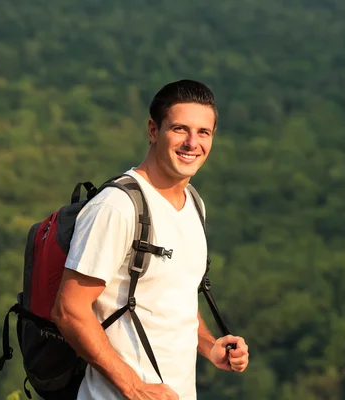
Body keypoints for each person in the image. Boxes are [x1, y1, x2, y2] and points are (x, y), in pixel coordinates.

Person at [51, 80, 249, 400]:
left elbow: (174, 296)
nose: (191, 143)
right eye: (180, 129)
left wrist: (210, 346)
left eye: (203, 132)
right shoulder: (117, 207)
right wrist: (134, 387)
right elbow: (69, 310)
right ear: (153, 131)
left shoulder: (194, 204)